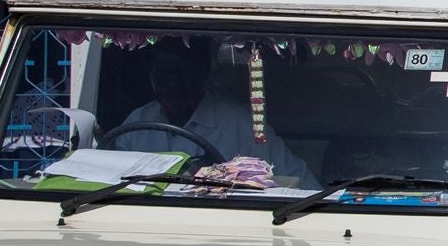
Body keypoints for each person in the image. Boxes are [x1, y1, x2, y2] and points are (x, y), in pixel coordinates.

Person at [113, 38, 311, 184]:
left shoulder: (241, 125)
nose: (172, 83)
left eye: (181, 72)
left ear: (203, 72)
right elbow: (106, 179)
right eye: (163, 72)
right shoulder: (137, 123)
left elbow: (299, 184)